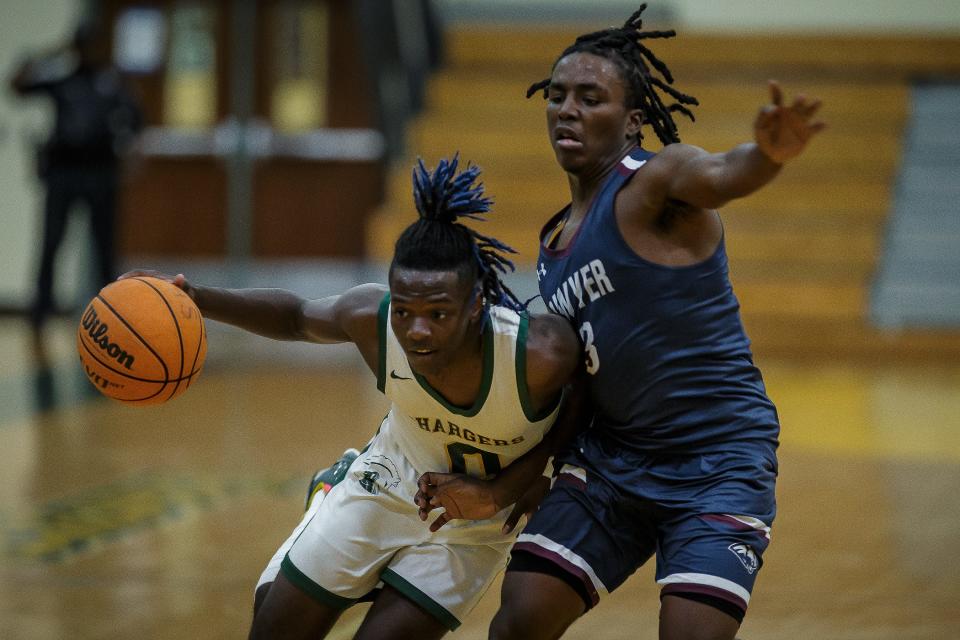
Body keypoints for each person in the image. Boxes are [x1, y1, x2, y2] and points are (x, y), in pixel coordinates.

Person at [414, 5, 826, 639]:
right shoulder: (554, 242)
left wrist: (767, 157)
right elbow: (577, 390)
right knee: (519, 619)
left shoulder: (657, 183)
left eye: (590, 97)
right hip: (613, 465)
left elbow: (722, 173)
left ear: (633, 122)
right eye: (556, 96)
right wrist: (508, 485)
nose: (566, 109)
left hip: (717, 461)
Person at [123, 156, 581, 640]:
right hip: (388, 481)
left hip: (474, 524)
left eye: (438, 314)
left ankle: (330, 503)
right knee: (271, 623)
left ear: (475, 306)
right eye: (404, 311)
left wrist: (504, 491)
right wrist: (194, 296)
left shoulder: (539, 353)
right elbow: (297, 317)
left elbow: (582, 405)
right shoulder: (372, 318)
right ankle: (334, 491)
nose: (417, 330)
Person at [10, 19, 142, 337]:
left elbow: (136, 121)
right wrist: (51, 53)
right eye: (81, 46)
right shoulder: (61, 80)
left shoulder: (111, 83)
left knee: (104, 249)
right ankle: (40, 310)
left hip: (100, 173)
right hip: (63, 173)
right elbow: (16, 85)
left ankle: (110, 312)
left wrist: (129, 156)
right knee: (51, 243)